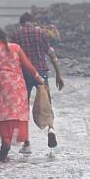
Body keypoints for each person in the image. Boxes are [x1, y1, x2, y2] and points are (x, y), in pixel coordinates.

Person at [11, 13, 64, 154]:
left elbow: (12, 56)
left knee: (24, 107)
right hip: (41, 73)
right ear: (33, 22)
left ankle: (27, 143)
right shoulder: (41, 33)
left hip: (24, 73)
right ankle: (51, 129)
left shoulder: (17, 34)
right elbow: (51, 53)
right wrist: (58, 73)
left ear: (22, 23)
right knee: (46, 103)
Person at [0, 28, 44, 162]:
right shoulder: (15, 48)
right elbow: (28, 65)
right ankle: (23, 142)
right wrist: (38, 78)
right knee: (17, 115)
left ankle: (5, 145)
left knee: (4, 116)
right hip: (18, 86)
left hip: (2, 87)